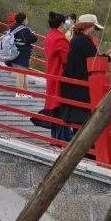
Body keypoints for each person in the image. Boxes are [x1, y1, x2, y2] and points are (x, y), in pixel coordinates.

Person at [59, 14, 111, 134]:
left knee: (80, 125)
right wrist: (110, 57)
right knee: (84, 124)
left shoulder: (78, 40)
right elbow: (94, 62)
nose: (94, 32)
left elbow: (91, 58)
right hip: (80, 89)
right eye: (93, 28)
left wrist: (105, 56)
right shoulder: (83, 41)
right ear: (86, 26)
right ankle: (88, 151)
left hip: (74, 88)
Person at [41, 11, 71, 141]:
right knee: (61, 107)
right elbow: (67, 60)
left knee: (54, 107)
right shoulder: (61, 39)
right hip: (60, 75)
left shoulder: (49, 36)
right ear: (61, 24)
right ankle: (61, 138)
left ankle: (55, 137)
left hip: (51, 74)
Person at [5, 11, 39, 97]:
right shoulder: (25, 29)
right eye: (26, 18)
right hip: (22, 54)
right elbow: (33, 39)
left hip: (13, 52)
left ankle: (26, 92)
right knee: (21, 74)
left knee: (23, 74)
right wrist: (33, 34)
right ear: (24, 19)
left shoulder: (13, 28)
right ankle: (19, 93)